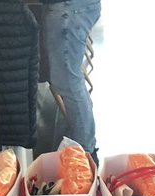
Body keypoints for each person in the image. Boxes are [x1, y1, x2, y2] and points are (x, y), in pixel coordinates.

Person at [42, 0, 101, 157]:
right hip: (72, 7)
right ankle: (85, 146)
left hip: (68, 8)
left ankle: (85, 152)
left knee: (68, 83)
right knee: (70, 82)